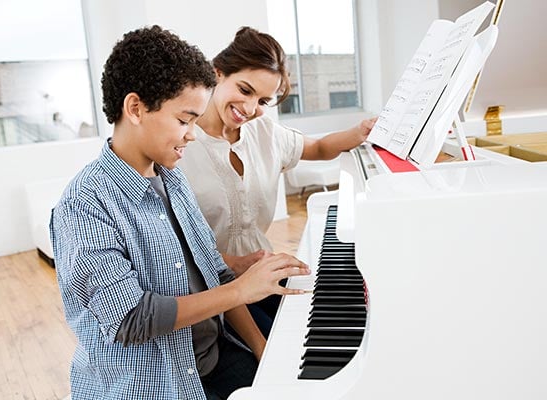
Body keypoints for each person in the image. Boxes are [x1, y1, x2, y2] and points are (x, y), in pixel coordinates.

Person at [49, 26, 310, 400]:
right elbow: (133, 318)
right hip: (151, 385)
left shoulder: (172, 179)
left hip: (210, 357)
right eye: (185, 120)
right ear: (136, 108)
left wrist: (261, 350)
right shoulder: (85, 205)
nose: (192, 134)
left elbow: (216, 276)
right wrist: (241, 287)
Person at [178, 26, 376, 334]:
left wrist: (361, 131)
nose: (250, 109)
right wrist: (231, 262)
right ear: (217, 74)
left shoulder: (265, 132)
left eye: (262, 101)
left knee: (327, 321)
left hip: (262, 274)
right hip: (208, 290)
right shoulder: (179, 143)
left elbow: (320, 148)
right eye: (245, 90)